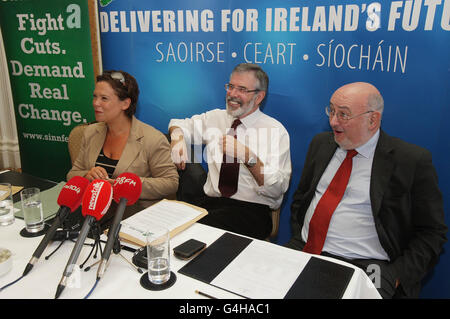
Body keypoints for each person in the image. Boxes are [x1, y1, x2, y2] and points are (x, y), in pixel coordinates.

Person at [286, 82, 447, 298]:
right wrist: (300, 236)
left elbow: (431, 233)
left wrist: (396, 276)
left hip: (369, 266)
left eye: (343, 114)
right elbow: (301, 198)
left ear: (373, 120)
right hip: (305, 247)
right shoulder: (321, 144)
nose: (333, 121)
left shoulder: (410, 160)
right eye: (331, 111)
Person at [168, 63, 291, 240]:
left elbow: (277, 189)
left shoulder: (275, 131)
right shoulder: (217, 117)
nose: (232, 94)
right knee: (172, 224)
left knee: (194, 234)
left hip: (251, 211)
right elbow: (179, 123)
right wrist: (177, 137)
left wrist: (248, 157)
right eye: (231, 86)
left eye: (241, 89)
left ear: (258, 97)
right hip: (211, 204)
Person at [67, 70, 179, 207]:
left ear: (125, 104)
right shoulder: (90, 132)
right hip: (93, 214)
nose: (95, 103)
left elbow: (171, 183)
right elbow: (72, 175)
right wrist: (87, 176)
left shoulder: (153, 139)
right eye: (95, 97)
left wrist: (127, 185)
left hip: (134, 216)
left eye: (104, 98)